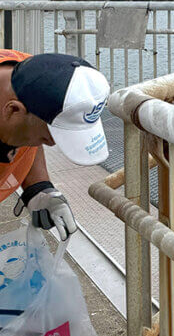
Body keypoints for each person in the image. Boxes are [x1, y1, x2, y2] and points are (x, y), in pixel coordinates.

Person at [1, 51, 111, 241]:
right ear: (13, 110)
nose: (52, 144)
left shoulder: (33, 77)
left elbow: (27, 133)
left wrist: (39, 186)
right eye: (49, 136)